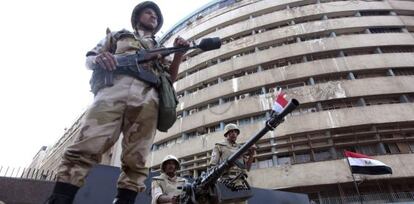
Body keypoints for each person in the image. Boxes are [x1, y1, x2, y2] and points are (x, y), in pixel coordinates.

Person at [45, 1, 189, 204]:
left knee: (137, 158)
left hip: (148, 98)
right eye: (148, 12)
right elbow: (90, 58)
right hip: (113, 90)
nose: (153, 16)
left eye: (156, 15)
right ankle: (60, 198)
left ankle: (125, 200)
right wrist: (99, 59)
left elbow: (170, 79)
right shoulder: (119, 36)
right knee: (86, 145)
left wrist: (178, 55)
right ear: (137, 17)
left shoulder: (160, 48)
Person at [209, 123, 256, 204]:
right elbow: (212, 167)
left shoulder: (240, 148)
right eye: (231, 132)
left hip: (240, 183)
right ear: (226, 134)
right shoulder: (219, 146)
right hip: (226, 182)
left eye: (236, 132)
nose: (234, 134)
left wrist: (251, 154)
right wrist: (226, 167)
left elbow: (247, 168)